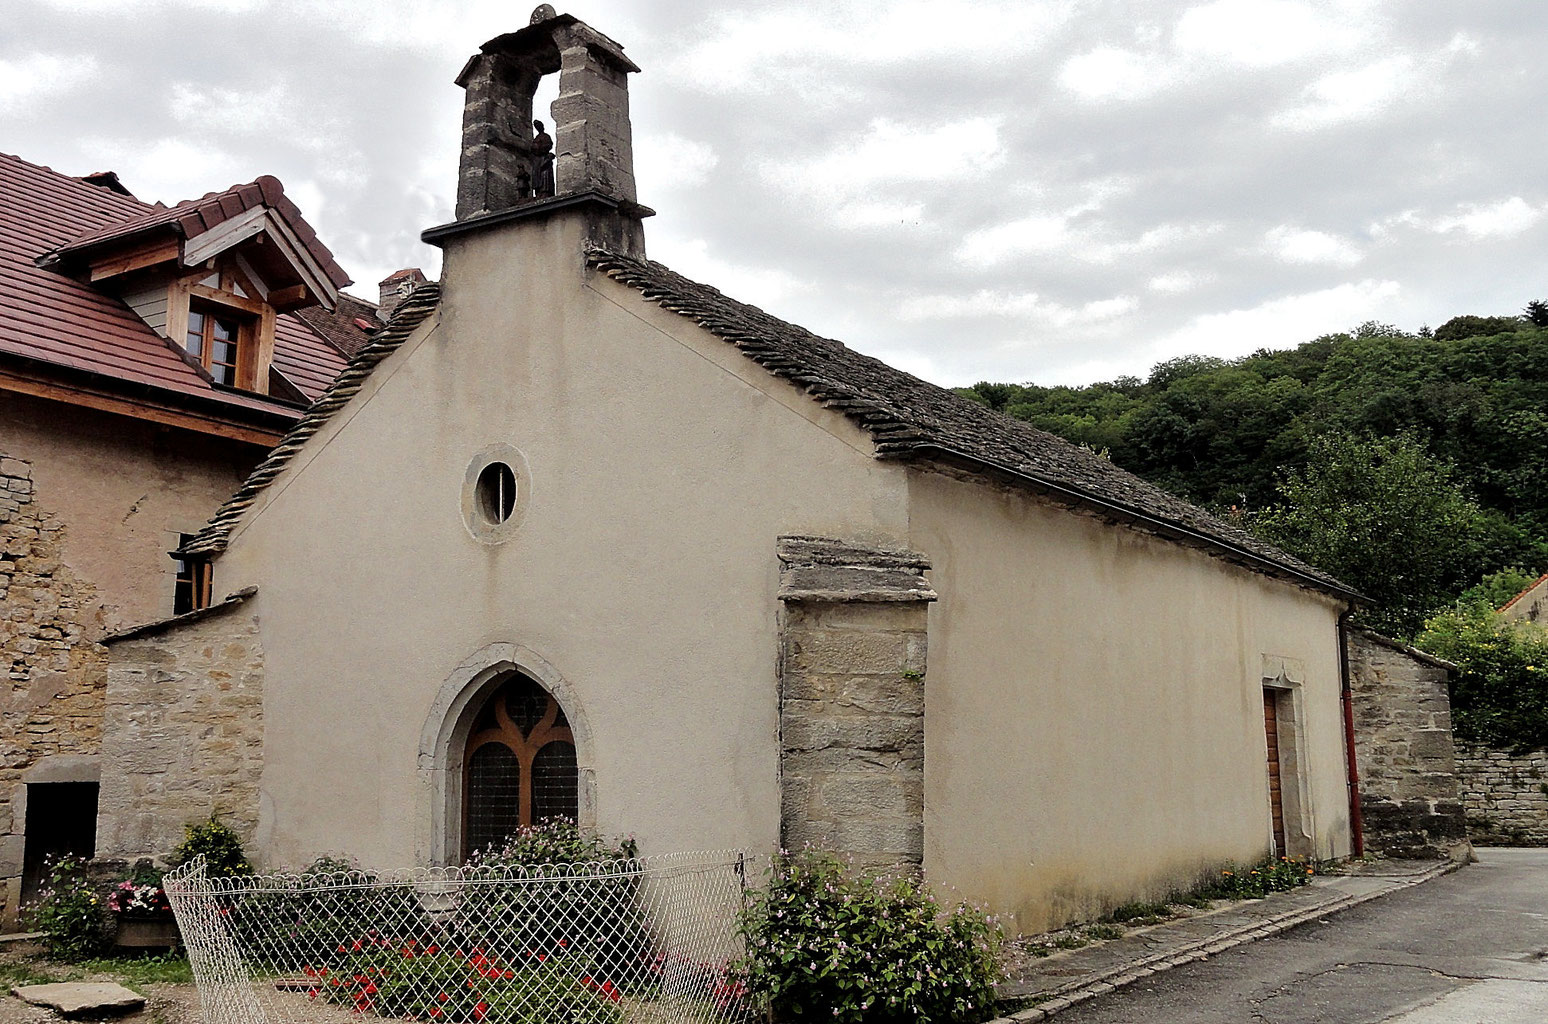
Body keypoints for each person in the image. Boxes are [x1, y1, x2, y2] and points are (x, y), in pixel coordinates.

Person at [532, 120, 555, 198]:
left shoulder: (546, 136)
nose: (537, 127)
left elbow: (549, 145)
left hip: (544, 157)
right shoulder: (537, 137)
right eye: (536, 126)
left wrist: (541, 148)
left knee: (545, 174)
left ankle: (545, 191)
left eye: (538, 126)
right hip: (537, 159)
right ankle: (538, 192)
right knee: (537, 175)